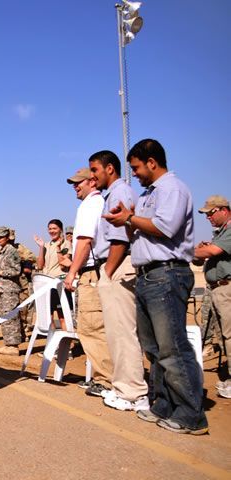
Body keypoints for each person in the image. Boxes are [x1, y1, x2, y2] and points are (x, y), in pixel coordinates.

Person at [104, 138, 208, 434]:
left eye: (136, 167)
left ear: (152, 162)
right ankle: (164, 403)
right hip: (149, 276)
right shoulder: (150, 194)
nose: (134, 173)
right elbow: (141, 227)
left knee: (173, 347)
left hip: (167, 274)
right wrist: (126, 220)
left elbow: (165, 228)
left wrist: (130, 218)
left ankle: (191, 413)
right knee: (153, 347)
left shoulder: (172, 189)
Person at [89, 151, 149, 412]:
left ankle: (132, 393)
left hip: (117, 265)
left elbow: (120, 238)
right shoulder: (113, 194)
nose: (92, 177)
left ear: (109, 168)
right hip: (116, 265)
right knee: (117, 333)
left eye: (94, 170)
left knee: (123, 333)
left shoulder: (119, 193)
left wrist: (108, 272)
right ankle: (125, 386)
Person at [63, 167, 113, 398]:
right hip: (92, 270)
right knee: (94, 326)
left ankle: (106, 380)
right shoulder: (96, 203)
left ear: (92, 182)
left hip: (91, 272)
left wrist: (72, 272)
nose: (75, 186)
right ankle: (104, 377)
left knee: (92, 327)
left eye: (79, 182)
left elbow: (84, 240)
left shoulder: (90, 205)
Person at [193, 195, 231, 399]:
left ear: (223, 209)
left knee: (230, 335)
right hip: (217, 289)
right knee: (223, 336)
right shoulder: (221, 232)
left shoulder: (230, 230)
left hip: (227, 288)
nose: (208, 217)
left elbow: (213, 251)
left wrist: (193, 250)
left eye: (211, 213)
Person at [33, 219, 71, 329]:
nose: (52, 231)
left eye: (54, 228)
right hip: (46, 284)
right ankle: (52, 342)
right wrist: (41, 247)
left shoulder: (66, 244)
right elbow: (40, 266)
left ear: (60, 229)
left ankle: (68, 342)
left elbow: (63, 264)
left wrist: (58, 247)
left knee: (62, 316)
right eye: (50, 229)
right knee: (48, 316)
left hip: (59, 283)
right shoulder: (46, 245)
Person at [0, 226, 23, 355]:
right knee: (6, 315)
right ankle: (10, 343)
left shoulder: (11, 251)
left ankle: (12, 346)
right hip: (3, 288)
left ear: (7, 237)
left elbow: (16, 270)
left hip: (10, 289)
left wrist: (0, 273)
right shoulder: (2, 251)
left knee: (10, 317)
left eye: (1, 237)